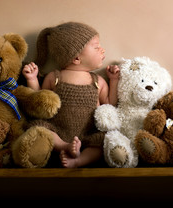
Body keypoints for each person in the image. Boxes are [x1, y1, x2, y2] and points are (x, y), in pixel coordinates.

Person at [22, 22, 119, 168]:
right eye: (96, 47)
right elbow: (40, 101)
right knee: (39, 128)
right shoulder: (55, 77)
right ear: (76, 58)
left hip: (88, 134)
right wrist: (32, 79)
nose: (102, 50)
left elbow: (110, 106)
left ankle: (80, 160)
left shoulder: (97, 81)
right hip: (58, 130)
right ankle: (63, 146)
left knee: (104, 141)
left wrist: (114, 80)